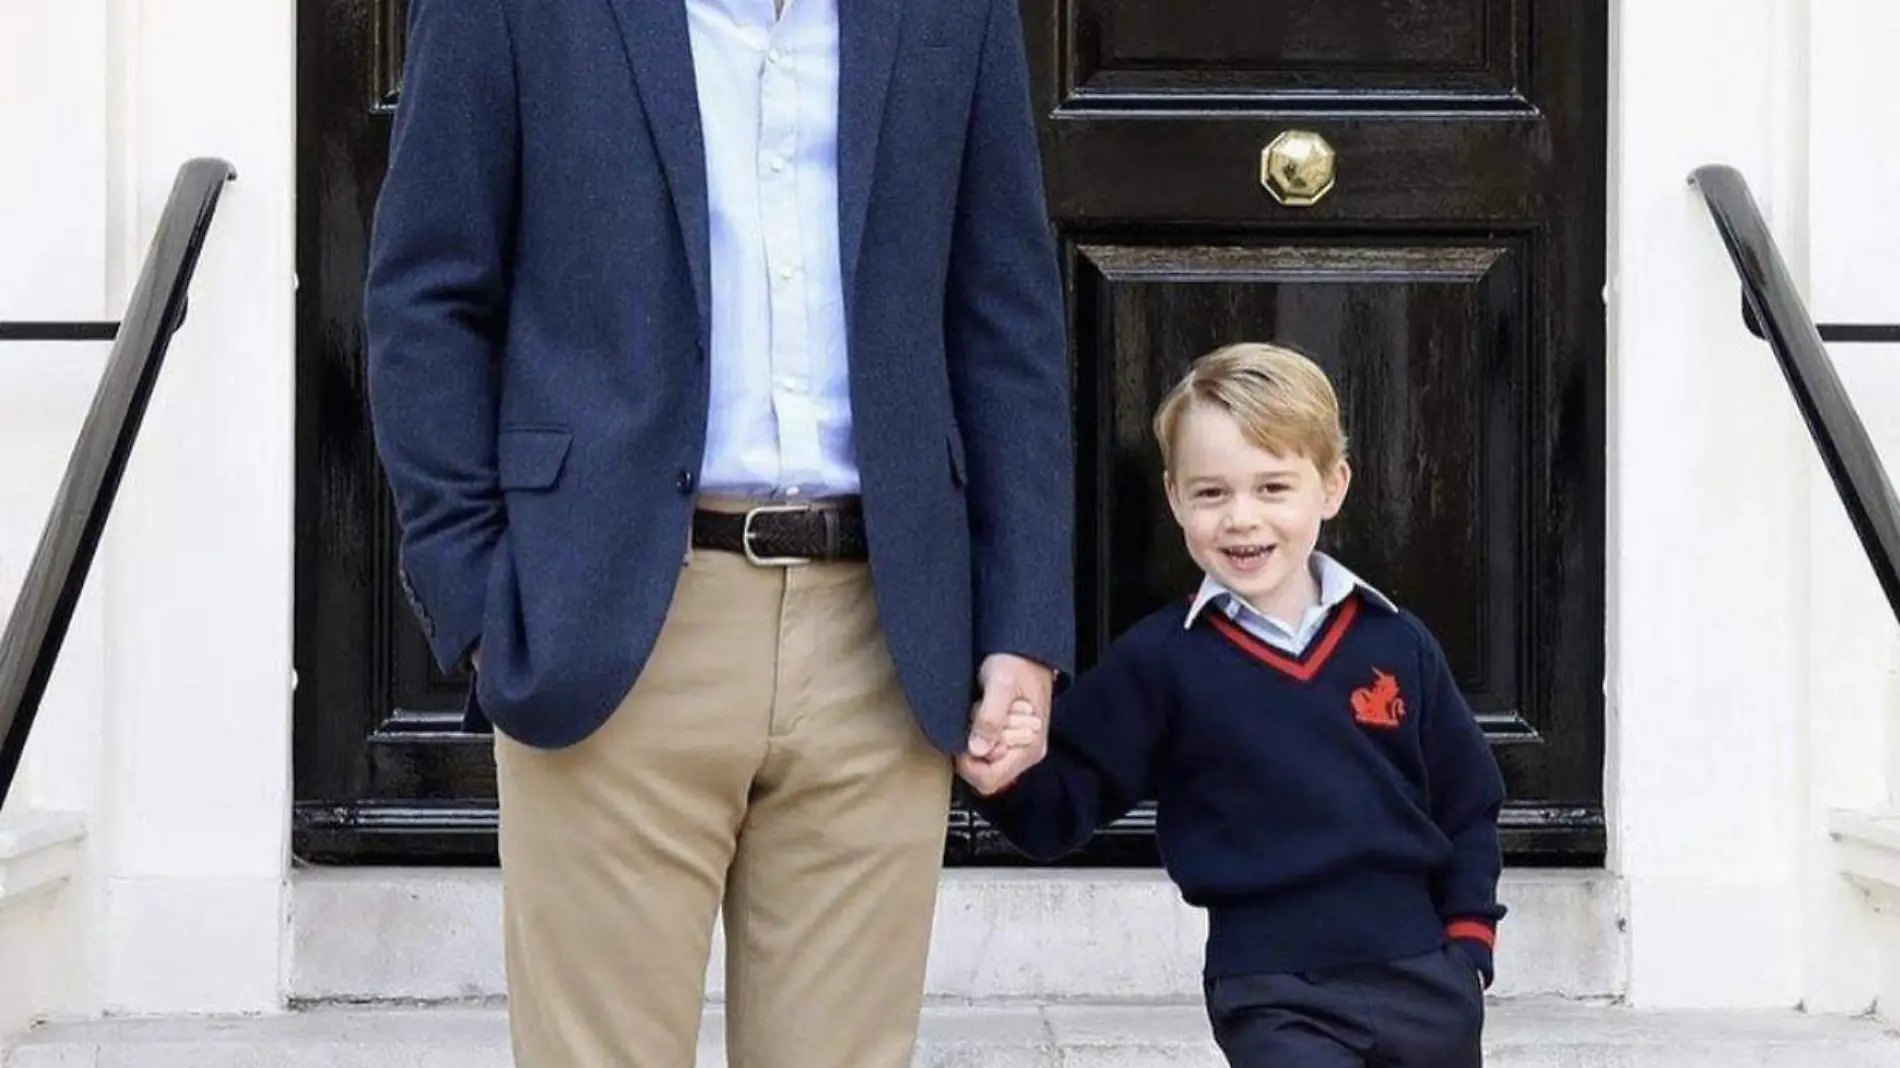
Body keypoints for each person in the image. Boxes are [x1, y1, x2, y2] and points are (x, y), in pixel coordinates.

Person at [360, 0, 1072, 1062]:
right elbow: (426, 296)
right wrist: (474, 599)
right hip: (612, 623)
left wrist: (1021, 623)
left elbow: (1003, 317)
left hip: (881, 632)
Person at [970, 342, 1506, 1068]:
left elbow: (1468, 801)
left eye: (1273, 488)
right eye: (1212, 493)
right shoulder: (1162, 661)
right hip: (1272, 992)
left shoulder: (1397, 644)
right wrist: (1003, 768)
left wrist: (1468, 946)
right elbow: (1062, 805)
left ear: (1332, 486)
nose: (1242, 519)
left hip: (1424, 981)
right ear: (1174, 498)